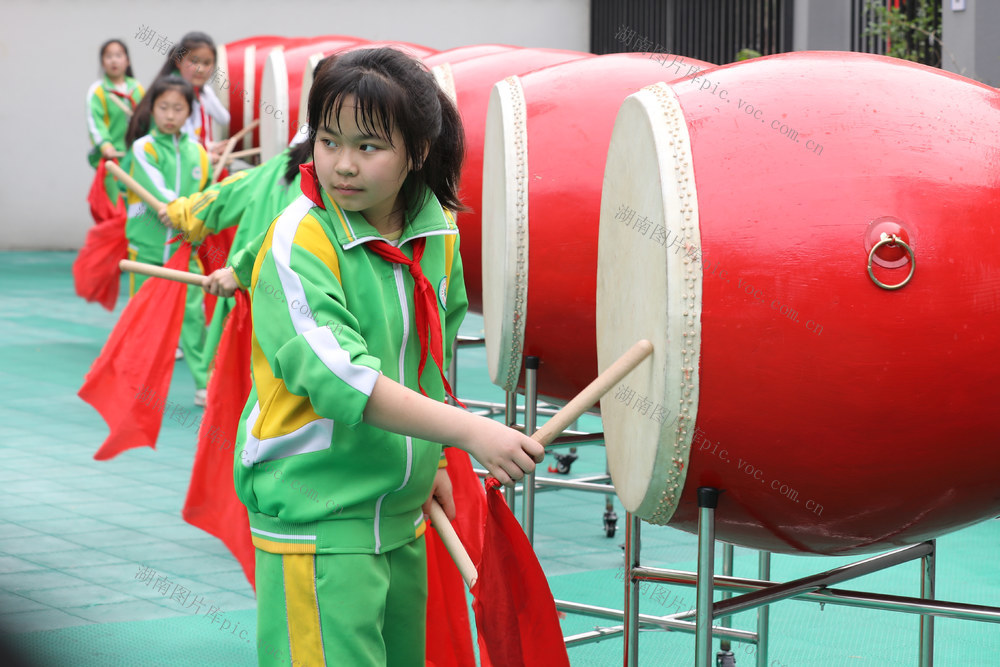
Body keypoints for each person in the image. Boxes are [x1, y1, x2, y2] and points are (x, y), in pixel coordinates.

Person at [233, 48, 543, 666]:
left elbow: (429, 363)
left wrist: (428, 466)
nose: (343, 165)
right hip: (320, 516)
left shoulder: (437, 234)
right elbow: (340, 377)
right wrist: (470, 433)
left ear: (417, 151)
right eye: (328, 141)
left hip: (400, 511)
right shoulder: (301, 237)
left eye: (369, 147)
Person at [123, 75, 212, 403]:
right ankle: (134, 382)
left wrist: (189, 215)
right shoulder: (142, 148)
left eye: (178, 108)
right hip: (146, 247)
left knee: (193, 318)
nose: (170, 115)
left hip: (183, 248)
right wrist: (174, 209)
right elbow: (154, 189)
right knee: (143, 317)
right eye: (163, 107)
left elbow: (209, 195)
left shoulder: (199, 154)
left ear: (189, 111)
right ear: (152, 108)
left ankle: (204, 384)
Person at [153, 32, 230, 155]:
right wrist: (207, 156)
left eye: (207, 63)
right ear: (179, 62)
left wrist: (210, 147)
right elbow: (182, 141)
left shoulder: (203, 92)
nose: (201, 69)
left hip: (196, 157)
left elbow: (224, 119)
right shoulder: (172, 94)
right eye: (194, 61)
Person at [87, 39, 145, 169]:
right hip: (112, 158)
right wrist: (105, 145)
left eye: (118, 55)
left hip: (135, 157)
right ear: (102, 62)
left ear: (127, 61)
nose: (114, 60)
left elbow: (146, 119)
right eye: (108, 56)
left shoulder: (137, 88)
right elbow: (95, 122)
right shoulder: (98, 90)